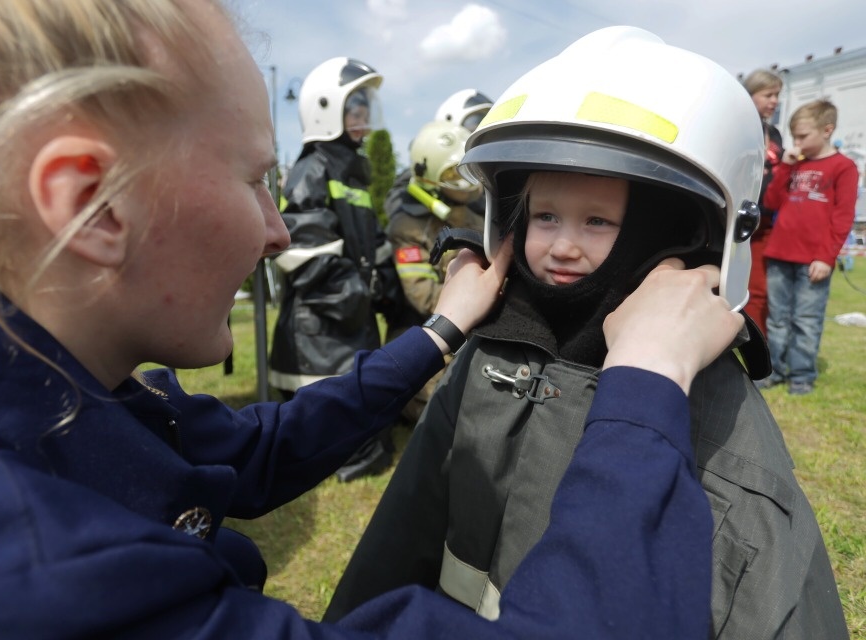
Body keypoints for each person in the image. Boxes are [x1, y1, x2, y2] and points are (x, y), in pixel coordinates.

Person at [0, 4, 744, 637]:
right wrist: (646, 384)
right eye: (253, 180)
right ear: (94, 206)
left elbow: (258, 448)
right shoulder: (19, 576)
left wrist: (440, 330)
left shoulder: (41, 389)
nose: (275, 230)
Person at [324, 27, 850, 640]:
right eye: (545, 215)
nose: (563, 245)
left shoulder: (711, 412)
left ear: (662, 232)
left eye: (598, 221)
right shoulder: (491, 353)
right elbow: (399, 540)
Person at [267, 56, 400, 481]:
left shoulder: (351, 172)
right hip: (321, 334)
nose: (363, 118)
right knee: (339, 430)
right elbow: (308, 257)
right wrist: (361, 295)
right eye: (354, 109)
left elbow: (372, 242)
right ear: (326, 112)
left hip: (351, 324)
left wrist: (389, 287)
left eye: (365, 109)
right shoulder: (314, 169)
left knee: (368, 424)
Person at [384, 120, 486, 422]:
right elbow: (422, 295)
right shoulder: (408, 228)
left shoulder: (475, 218)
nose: (464, 182)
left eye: (465, 171)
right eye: (453, 173)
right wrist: (482, 303)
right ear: (429, 174)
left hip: (474, 333)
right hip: (430, 339)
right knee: (445, 415)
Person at [759, 99, 859, 395]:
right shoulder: (795, 164)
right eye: (794, 136)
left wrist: (827, 257)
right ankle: (774, 370)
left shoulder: (844, 167)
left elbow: (843, 218)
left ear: (827, 130)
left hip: (813, 260)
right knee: (777, 317)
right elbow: (772, 202)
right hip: (780, 253)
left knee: (806, 319)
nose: (797, 142)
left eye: (803, 136)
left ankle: (801, 375)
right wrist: (784, 169)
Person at [742, 69, 785, 337]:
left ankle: (760, 344)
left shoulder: (775, 132)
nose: (774, 101)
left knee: (761, 288)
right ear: (751, 94)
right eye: (768, 94)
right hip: (739, 216)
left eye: (777, 95)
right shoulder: (741, 126)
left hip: (767, 219)